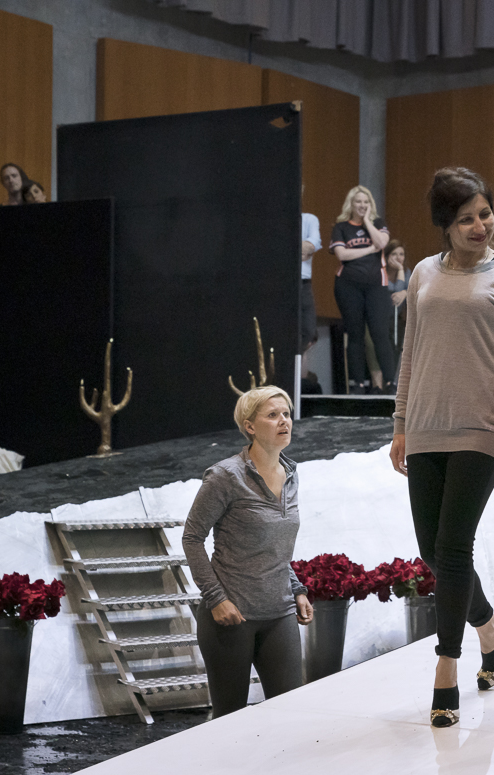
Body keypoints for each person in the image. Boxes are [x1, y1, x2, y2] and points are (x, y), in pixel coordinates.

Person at [389, 167, 494, 728]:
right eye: (466, 218)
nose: (480, 226)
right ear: (445, 225)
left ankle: (446, 668)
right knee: (433, 551)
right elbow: (411, 351)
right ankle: (491, 629)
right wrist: (401, 423)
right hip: (426, 424)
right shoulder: (424, 274)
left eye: (485, 213)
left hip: (482, 425)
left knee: (453, 547)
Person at [182, 385, 314, 718]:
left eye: (286, 414)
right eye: (272, 415)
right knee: (230, 720)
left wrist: (297, 589)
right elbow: (192, 538)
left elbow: (274, 548)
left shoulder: (291, 474)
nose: (284, 421)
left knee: (290, 714)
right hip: (231, 616)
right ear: (250, 426)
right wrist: (216, 599)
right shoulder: (225, 476)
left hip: (279, 613)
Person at [329, 185, 397, 394]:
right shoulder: (341, 227)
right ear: (351, 204)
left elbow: (382, 242)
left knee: (380, 333)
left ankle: (391, 383)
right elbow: (342, 254)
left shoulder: (378, 223)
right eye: (358, 201)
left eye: (366, 202)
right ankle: (357, 384)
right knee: (355, 334)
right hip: (348, 286)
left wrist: (367, 221)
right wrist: (369, 250)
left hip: (376, 286)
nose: (362, 205)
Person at [300, 205, 322, 373]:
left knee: (308, 330)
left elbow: (312, 245)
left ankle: (295, 371)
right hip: (282, 282)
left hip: (304, 281)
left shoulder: (309, 219)